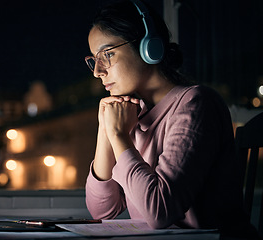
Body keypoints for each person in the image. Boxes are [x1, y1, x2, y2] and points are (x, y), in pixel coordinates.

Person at [84, 0, 259, 238]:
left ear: (148, 47)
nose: (98, 71)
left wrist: (118, 135)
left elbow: (160, 213)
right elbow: (102, 211)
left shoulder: (196, 104)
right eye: (95, 59)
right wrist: (105, 130)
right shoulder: (129, 112)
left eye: (108, 54)